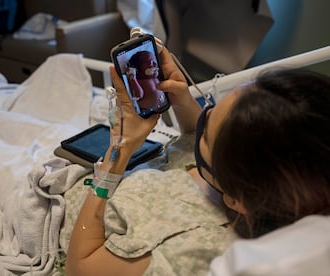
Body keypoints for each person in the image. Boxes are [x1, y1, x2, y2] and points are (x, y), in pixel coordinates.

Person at [65, 45, 330, 275]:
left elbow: (81, 268)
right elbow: (210, 146)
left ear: (236, 199)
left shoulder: (189, 251)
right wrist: (181, 100)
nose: (206, 113)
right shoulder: (294, 174)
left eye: (207, 132)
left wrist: (118, 151)